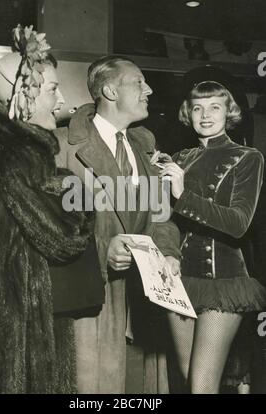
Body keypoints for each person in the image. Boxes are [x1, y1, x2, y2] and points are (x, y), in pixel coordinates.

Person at [0, 24, 104, 393]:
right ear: (23, 96)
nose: (60, 101)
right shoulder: (15, 156)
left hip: (0, 318)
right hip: (25, 328)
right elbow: (65, 236)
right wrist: (78, 192)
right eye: (52, 89)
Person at [54, 55, 181, 393]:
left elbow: (160, 216)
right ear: (110, 90)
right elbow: (55, 227)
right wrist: (101, 248)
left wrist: (169, 253)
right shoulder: (63, 146)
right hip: (92, 297)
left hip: (145, 298)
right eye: (139, 82)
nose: (149, 89)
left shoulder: (145, 148)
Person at [159, 80, 266, 393]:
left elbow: (238, 224)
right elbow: (163, 220)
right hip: (179, 279)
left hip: (224, 281)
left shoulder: (248, 157)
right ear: (188, 113)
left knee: (202, 384)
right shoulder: (179, 158)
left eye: (214, 107)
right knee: (188, 376)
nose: (205, 115)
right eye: (197, 108)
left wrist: (182, 195)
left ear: (229, 111)